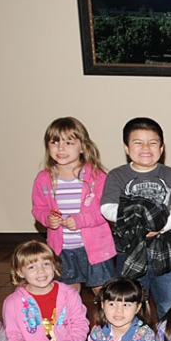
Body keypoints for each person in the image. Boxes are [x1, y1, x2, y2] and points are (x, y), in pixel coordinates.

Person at [101, 117, 171, 318]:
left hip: (166, 247)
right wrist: (137, 222)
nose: (145, 147)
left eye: (152, 142)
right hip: (130, 248)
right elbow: (106, 207)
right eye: (138, 142)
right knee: (129, 299)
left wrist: (161, 226)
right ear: (126, 147)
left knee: (168, 300)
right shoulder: (117, 175)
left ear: (162, 147)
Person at [31, 117, 116, 295]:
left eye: (69, 142)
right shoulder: (44, 178)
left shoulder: (97, 177)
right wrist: (47, 218)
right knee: (68, 290)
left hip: (96, 248)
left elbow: (107, 210)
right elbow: (38, 208)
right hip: (62, 249)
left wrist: (80, 220)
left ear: (83, 147)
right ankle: (71, 321)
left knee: (101, 289)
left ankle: (105, 322)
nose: (61, 148)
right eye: (55, 142)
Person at [3, 241, 88, 341]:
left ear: (54, 266)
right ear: (20, 272)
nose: (41, 271)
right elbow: (13, 338)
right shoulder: (12, 302)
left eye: (46, 264)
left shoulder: (68, 293)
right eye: (32, 267)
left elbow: (80, 324)